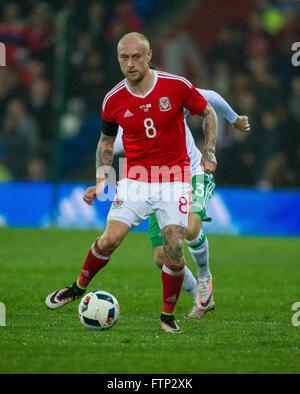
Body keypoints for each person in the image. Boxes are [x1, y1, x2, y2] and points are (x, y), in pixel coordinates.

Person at [45, 32, 218, 333]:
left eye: (136, 56)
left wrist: (210, 149)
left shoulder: (175, 86)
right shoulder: (113, 99)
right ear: (118, 59)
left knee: (174, 246)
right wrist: (101, 181)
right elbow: (106, 141)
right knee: (109, 238)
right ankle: (76, 288)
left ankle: (167, 316)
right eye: (124, 57)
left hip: (175, 178)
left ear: (149, 56)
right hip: (135, 180)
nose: (130, 63)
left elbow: (209, 112)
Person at [113, 90, 250, 318]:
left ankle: (205, 277)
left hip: (193, 173)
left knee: (191, 228)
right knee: (161, 257)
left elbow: (211, 98)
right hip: (159, 184)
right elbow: (110, 143)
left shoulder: (171, 93)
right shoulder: (127, 114)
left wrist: (234, 119)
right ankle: (200, 294)